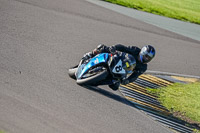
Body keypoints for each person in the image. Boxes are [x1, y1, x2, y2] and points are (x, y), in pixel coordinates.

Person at [82, 44, 156, 90]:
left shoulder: (143, 67)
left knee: (115, 86)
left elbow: (135, 76)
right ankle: (90, 55)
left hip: (122, 71)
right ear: (142, 52)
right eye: (146, 56)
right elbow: (123, 48)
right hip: (117, 59)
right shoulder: (135, 50)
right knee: (102, 48)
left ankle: (97, 81)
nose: (146, 59)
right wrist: (114, 48)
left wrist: (128, 80)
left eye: (149, 58)